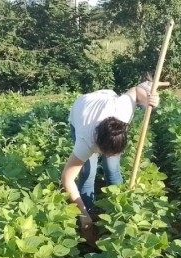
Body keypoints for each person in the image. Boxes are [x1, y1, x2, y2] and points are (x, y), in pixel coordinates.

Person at [61, 80, 169, 242]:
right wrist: (82, 214)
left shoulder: (122, 111)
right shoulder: (85, 140)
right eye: (107, 152)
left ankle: (118, 212)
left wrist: (150, 101)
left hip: (105, 102)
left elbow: (136, 90)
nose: (110, 155)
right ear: (98, 144)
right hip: (81, 109)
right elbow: (67, 179)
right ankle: (88, 214)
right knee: (88, 173)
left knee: (112, 168)